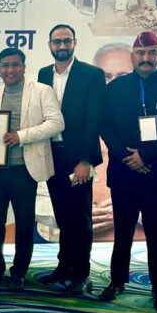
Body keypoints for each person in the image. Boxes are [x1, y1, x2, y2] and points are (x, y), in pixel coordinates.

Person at [99, 31, 157, 313]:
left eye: (152, 53)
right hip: (124, 171)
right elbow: (105, 125)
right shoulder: (115, 88)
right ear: (133, 56)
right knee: (123, 232)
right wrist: (127, 156)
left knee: (155, 234)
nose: (146, 58)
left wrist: (146, 156)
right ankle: (117, 281)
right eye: (140, 53)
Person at [0, 47, 64, 290]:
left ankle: (19, 272)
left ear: (24, 67)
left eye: (15, 64)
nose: (10, 70)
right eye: (5, 65)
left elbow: (57, 123)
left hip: (24, 170)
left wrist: (22, 136)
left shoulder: (41, 91)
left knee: (24, 225)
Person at [37, 24, 106, 294]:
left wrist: (85, 160)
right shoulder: (43, 74)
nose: (62, 46)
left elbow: (94, 119)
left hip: (78, 157)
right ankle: (63, 266)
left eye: (67, 41)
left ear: (74, 43)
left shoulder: (91, 74)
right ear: (50, 45)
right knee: (62, 214)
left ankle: (81, 272)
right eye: (57, 42)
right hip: (52, 154)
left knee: (80, 216)